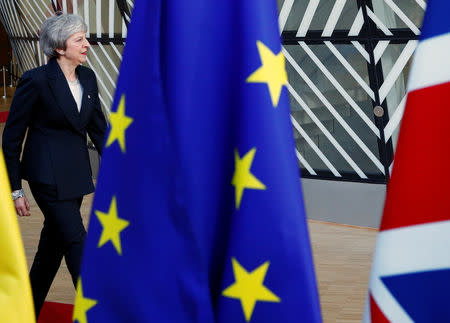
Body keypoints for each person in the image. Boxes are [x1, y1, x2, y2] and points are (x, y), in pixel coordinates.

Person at [2, 13, 107, 319]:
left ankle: (26, 311)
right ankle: (98, 313)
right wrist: (15, 189)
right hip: (46, 178)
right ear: (60, 47)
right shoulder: (35, 81)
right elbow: (11, 139)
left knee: (51, 250)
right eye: (79, 39)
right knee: (77, 242)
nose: (87, 44)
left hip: (76, 176)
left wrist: (122, 170)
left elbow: (99, 129)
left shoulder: (88, 78)